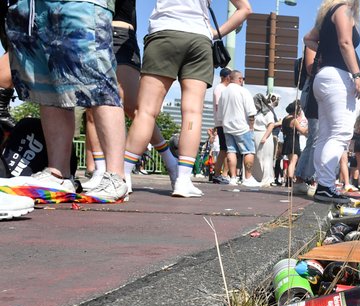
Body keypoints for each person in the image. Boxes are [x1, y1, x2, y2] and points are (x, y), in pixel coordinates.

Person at [1, 0, 133, 201]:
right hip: (32, 6)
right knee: (48, 86)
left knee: (99, 82)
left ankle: (116, 177)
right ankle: (58, 174)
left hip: (79, 3)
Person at [123, 0, 252, 197]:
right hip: (199, 38)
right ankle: (183, 181)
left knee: (146, 111)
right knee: (193, 112)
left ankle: (123, 175)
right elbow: (245, 9)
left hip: (164, 32)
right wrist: (214, 33)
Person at [83, 1, 178, 193]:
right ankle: (100, 171)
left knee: (135, 108)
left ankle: (170, 161)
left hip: (119, 33)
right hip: (90, 30)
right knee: (92, 107)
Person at [303, 0, 360, 204]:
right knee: (341, 133)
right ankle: (326, 185)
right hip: (338, 76)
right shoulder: (344, 10)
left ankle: (323, 184)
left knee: (325, 134)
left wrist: (324, 53)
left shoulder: (326, 15)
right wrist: (357, 75)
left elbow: (308, 39)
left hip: (323, 77)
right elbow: (345, 42)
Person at [219, 70, 259, 187]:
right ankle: (248, 178)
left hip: (227, 126)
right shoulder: (243, 91)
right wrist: (251, 126)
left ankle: (233, 178)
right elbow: (251, 112)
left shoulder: (224, 93)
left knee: (231, 151)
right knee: (249, 151)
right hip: (242, 126)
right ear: (240, 79)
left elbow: (220, 112)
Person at [252, 92, 280, 186]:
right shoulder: (257, 113)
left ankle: (266, 178)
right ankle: (258, 177)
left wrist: (265, 137)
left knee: (266, 158)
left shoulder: (268, 113)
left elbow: (271, 125)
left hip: (264, 136)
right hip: (256, 135)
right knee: (257, 158)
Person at [212, 68, 233, 184]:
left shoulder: (222, 88)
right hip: (223, 123)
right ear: (227, 77)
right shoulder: (220, 88)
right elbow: (219, 105)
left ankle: (221, 174)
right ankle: (219, 174)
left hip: (222, 122)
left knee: (225, 149)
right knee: (225, 149)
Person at [281, 100, 308, 187]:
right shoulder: (294, 120)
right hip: (293, 141)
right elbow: (302, 131)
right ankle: (290, 180)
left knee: (290, 161)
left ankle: (288, 180)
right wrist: (309, 127)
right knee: (293, 162)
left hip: (287, 140)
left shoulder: (285, 119)